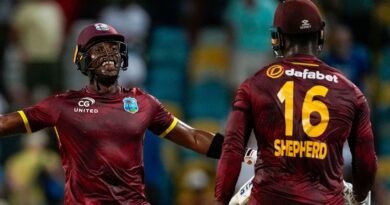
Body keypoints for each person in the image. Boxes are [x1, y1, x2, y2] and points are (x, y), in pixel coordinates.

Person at [0, 22, 224, 205]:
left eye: (113, 48)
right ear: (82, 58)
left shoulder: (144, 103)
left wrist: (243, 153)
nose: (108, 54)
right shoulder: (61, 106)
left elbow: (193, 137)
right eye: (99, 49)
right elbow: (6, 123)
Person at [214, 0, 377, 204]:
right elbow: (367, 165)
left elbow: (232, 151)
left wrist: (221, 199)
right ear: (321, 35)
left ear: (277, 39)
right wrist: (359, 197)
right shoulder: (350, 90)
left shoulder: (255, 85)